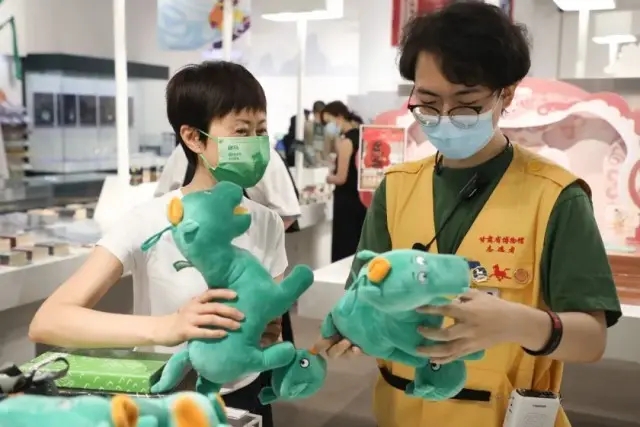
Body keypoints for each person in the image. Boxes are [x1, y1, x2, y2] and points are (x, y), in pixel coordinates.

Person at [315, 3, 621, 427]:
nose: (444, 117)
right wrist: (353, 332)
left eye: (466, 104)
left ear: (506, 94)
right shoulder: (397, 187)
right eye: (428, 102)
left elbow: (591, 339)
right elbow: (364, 297)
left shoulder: (556, 197)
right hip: (401, 411)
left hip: (501, 415)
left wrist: (517, 324)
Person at [28, 61, 288, 427]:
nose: (256, 145)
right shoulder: (149, 220)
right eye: (241, 132)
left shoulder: (267, 222)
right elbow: (49, 320)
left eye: (261, 131)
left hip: (246, 397)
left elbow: (270, 319)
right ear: (194, 137)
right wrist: (166, 327)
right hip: (166, 398)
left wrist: (266, 328)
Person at [155, 139, 301, 231]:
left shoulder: (259, 154)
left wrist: (254, 247)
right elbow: (162, 207)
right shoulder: (183, 152)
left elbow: (286, 214)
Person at [322, 101, 367, 262]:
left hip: (346, 202)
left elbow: (341, 178)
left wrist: (328, 178)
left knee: (344, 247)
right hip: (361, 199)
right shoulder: (362, 136)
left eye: (328, 121)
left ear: (339, 117)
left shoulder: (347, 142)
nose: (328, 126)